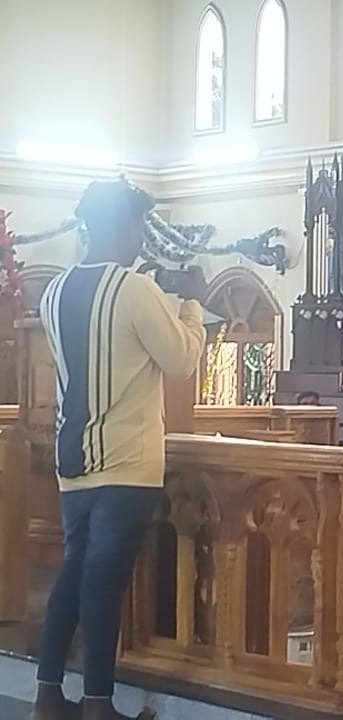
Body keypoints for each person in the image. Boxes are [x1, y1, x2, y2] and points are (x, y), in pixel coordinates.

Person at [35, 180, 207, 720]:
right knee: (103, 583)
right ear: (124, 226)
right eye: (139, 227)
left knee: (73, 573)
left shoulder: (53, 290)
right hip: (127, 463)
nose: (140, 239)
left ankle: (47, 697)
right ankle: (98, 706)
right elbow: (180, 360)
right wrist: (193, 305)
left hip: (73, 461)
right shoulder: (134, 289)